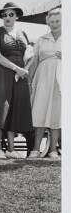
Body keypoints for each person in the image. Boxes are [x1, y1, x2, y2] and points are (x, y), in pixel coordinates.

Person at [0, 2, 33, 159]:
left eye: (11, 14)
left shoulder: (23, 33)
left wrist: (24, 71)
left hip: (19, 76)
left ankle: (11, 149)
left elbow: (30, 55)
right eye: (4, 15)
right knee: (1, 107)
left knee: (15, 109)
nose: (7, 17)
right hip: (2, 73)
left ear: (16, 16)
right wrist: (16, 69)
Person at [26, 8, 61, 159]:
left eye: (58, 21)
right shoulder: (41, 40)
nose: (54, 24)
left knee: (56, 113)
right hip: (42, 79)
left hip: (61, 80)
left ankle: (53, 150)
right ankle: (35, 149)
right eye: (51, 21)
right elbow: (34, 62)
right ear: (48, 22)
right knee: (39, 112)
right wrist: (30, 82)